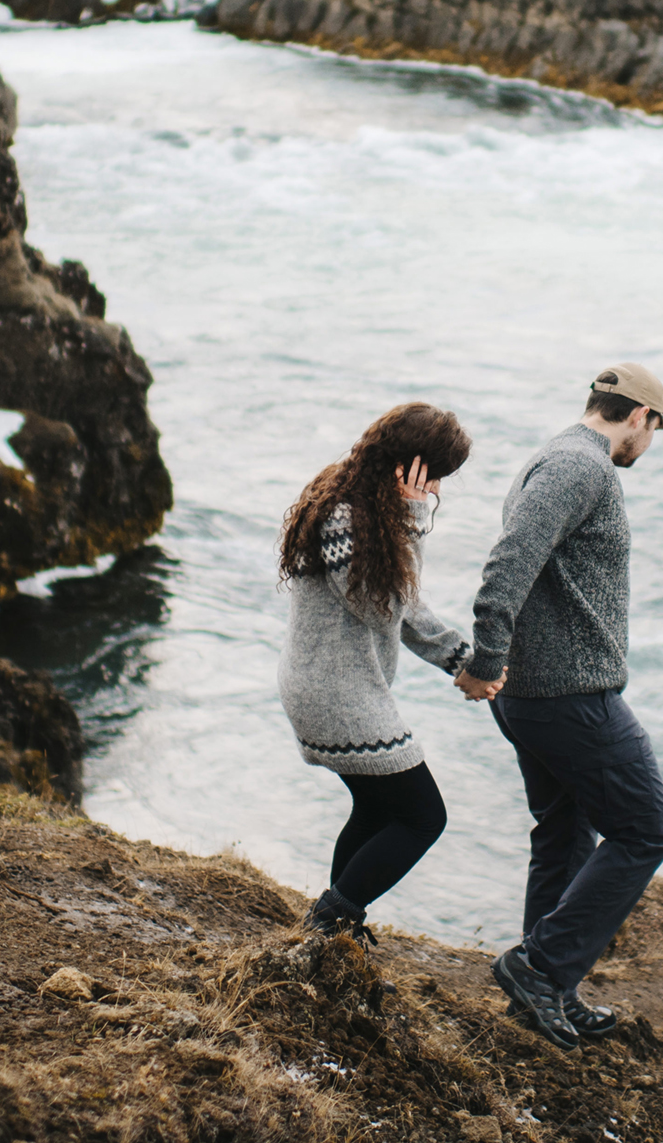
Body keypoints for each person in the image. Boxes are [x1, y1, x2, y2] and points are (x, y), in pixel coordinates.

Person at [455, 362, 663, 1048]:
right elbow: (508, 560)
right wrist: (486, 655)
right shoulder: (581, 467)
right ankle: (540, 967)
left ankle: (548, 988)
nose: (650, 443)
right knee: (646, 829)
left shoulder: (553, 457)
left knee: (564, 832)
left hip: (539, 691)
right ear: (638, 415)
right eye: (656, 429)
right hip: (566, 694)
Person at [278, 402, 492, 942]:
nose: (437, 490)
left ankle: (336, 934)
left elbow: (405, 607)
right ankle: (331, 919)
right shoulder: (346, 516)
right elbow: (382, 608)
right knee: (423, 817)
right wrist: (413, 522)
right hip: (334, 693)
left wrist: (463, 662)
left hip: (337, 687)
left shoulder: (360, 504)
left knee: (376, 810)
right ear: (409, 468)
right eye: (435, 476)